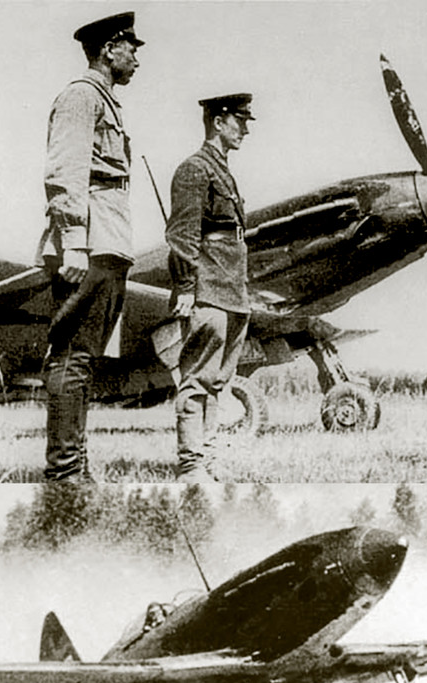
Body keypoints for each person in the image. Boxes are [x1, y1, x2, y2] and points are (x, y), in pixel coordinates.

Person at [35, 12, 144, 482]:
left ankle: (76, 467)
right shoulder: (82, 97)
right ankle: (63, 473)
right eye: (131, 47)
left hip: (109, 241)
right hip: (90, 243)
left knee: (84, 360)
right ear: (108, 49)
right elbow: (65, 173)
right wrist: (75, 244)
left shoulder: (104, 102)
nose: (136, 57)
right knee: (71, 358)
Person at [165, 94, 255, 482]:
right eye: (240, 120)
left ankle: (209, 459)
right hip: (207, 289)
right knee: (198, 378)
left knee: (219, 381)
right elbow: (182, 234)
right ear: (219, 122)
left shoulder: (223, 171)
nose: (246, 128)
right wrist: (186, 286)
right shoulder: (194, 170)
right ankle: (190, 464)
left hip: (232, 289)